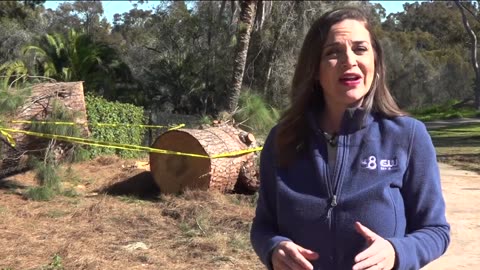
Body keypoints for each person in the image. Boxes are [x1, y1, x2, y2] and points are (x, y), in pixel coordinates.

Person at [250, 6, 450, 270]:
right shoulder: (283, 139)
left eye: (360, 49)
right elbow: (263, 226)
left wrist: (396, 251)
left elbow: (436, 230)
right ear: (315, 71)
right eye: (333, 52)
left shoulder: (408, 136)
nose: (349, 60)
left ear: (375, 62)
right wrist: (274, 247)